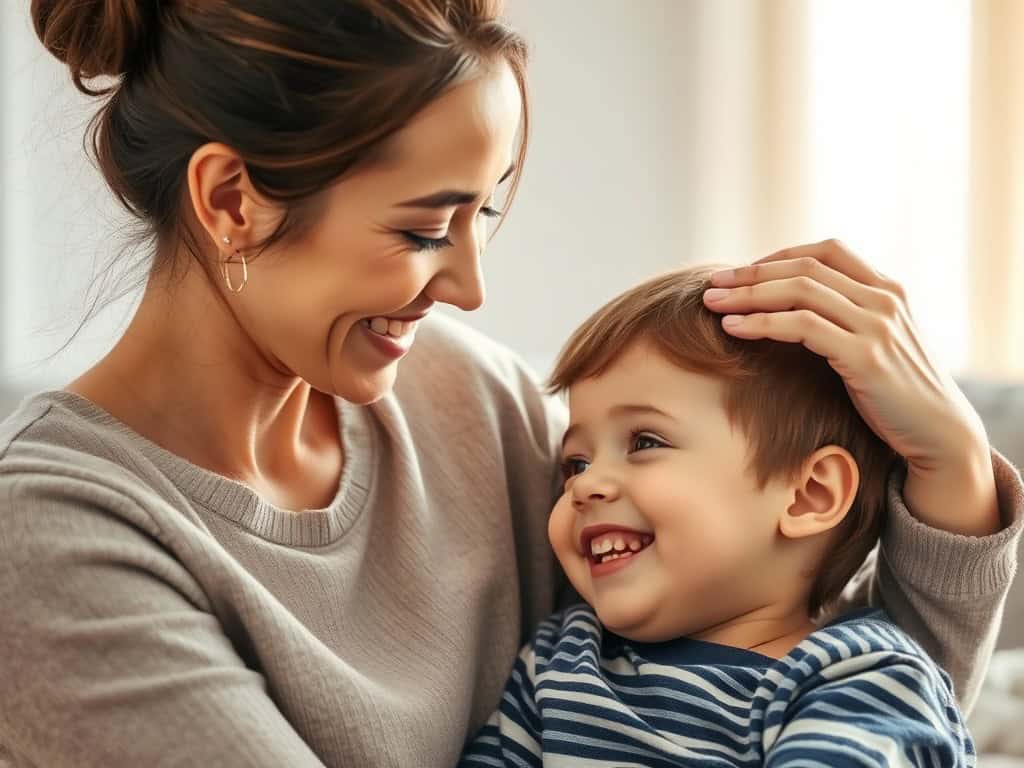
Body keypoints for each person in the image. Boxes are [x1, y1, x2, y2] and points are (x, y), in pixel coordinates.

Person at [0, 1, 1020, 766]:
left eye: (484, 216)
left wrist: (951, 463)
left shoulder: (464, 397)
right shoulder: (60, 540)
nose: (470, 289)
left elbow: (838, 672)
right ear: (231, 200)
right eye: (420, 229)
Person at [459, 267, 977, 766]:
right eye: (577, 462)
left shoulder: (861, 678)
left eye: (645, 442)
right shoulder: (559, 660)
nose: (585, 485)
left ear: (809, 496)